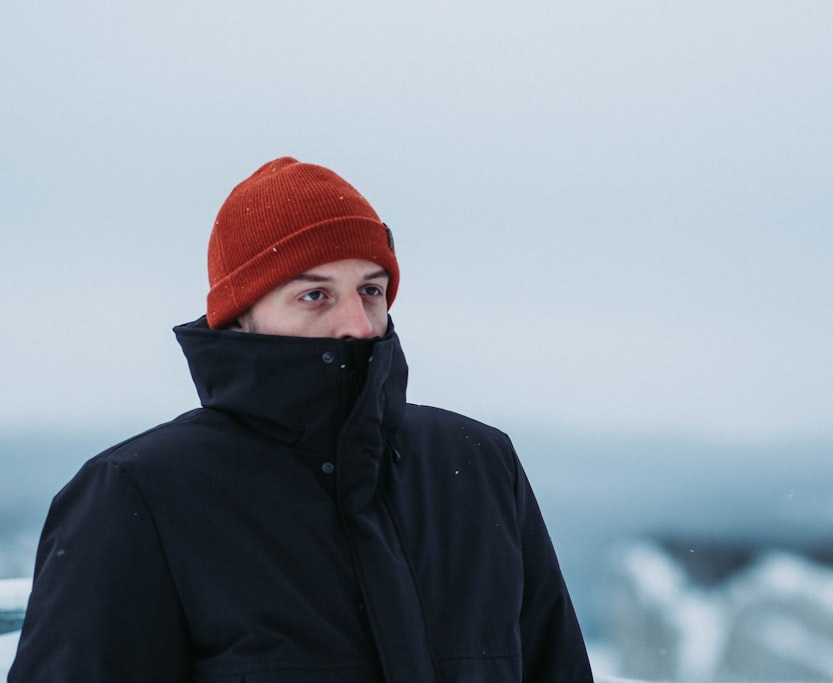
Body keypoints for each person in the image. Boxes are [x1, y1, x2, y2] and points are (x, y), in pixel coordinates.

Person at [9, 157, 594, 682]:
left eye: (371, 289)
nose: (358, 325)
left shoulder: (480, 464)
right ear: (240, 316)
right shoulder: (137, 493)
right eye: (314, 295)